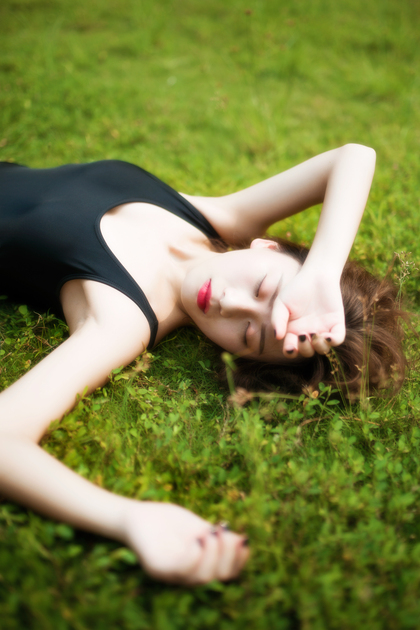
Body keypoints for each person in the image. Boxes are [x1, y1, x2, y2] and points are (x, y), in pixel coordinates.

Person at [0, 144, 403, 585]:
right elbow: (354, 156)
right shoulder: (219, 218)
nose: (231, 303)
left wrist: (128, 518)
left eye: (249, 334)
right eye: (263, 286)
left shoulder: (124, 319)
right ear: (267, 246)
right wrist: (322, 270)